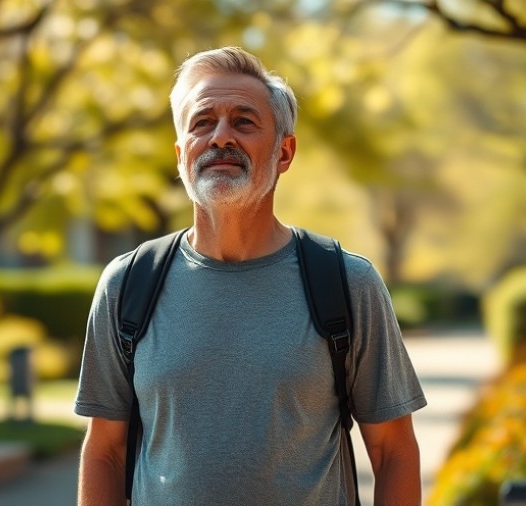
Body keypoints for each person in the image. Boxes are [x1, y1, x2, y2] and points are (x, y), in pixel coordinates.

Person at [74, 46, 427, 505]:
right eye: (202, 123)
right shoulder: (128, 285)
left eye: (244, 121)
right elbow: (105, 451)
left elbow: (393, 451)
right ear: (181, 155)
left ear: (284, 152)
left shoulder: (346, 283)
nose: (221, 137)